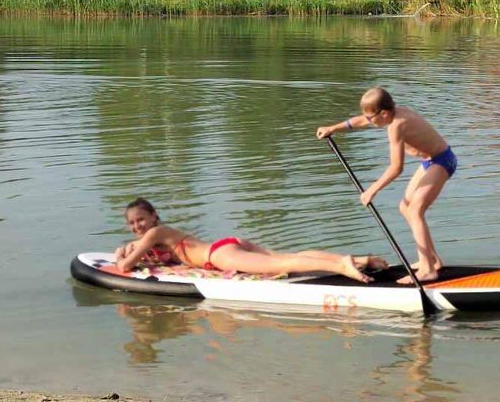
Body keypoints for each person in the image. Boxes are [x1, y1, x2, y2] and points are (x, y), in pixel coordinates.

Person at [316, 87, 455, 282]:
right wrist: (333, 128)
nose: (370, 122)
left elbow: (396, 167)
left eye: (372, 118)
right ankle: (432, 260)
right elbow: (361, 120)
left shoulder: (397, 125)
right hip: (429, 162)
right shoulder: (389, 114)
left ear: (384, 113)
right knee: (405, 207)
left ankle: (428, 270)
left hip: (442, 161)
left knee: (415, 210)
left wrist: (371, 190)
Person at [113, 198, 386, 283]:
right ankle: (355, 259)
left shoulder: (154, 234)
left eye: (141, 219)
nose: (137, 226)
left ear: (153, 216)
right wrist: (131, 248)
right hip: (227, 244)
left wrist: (121, 252)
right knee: (283, 257)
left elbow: (125, 266)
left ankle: (343, 267)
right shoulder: (160, 234)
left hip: (219, 256)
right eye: (132, 223)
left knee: (284, 264)